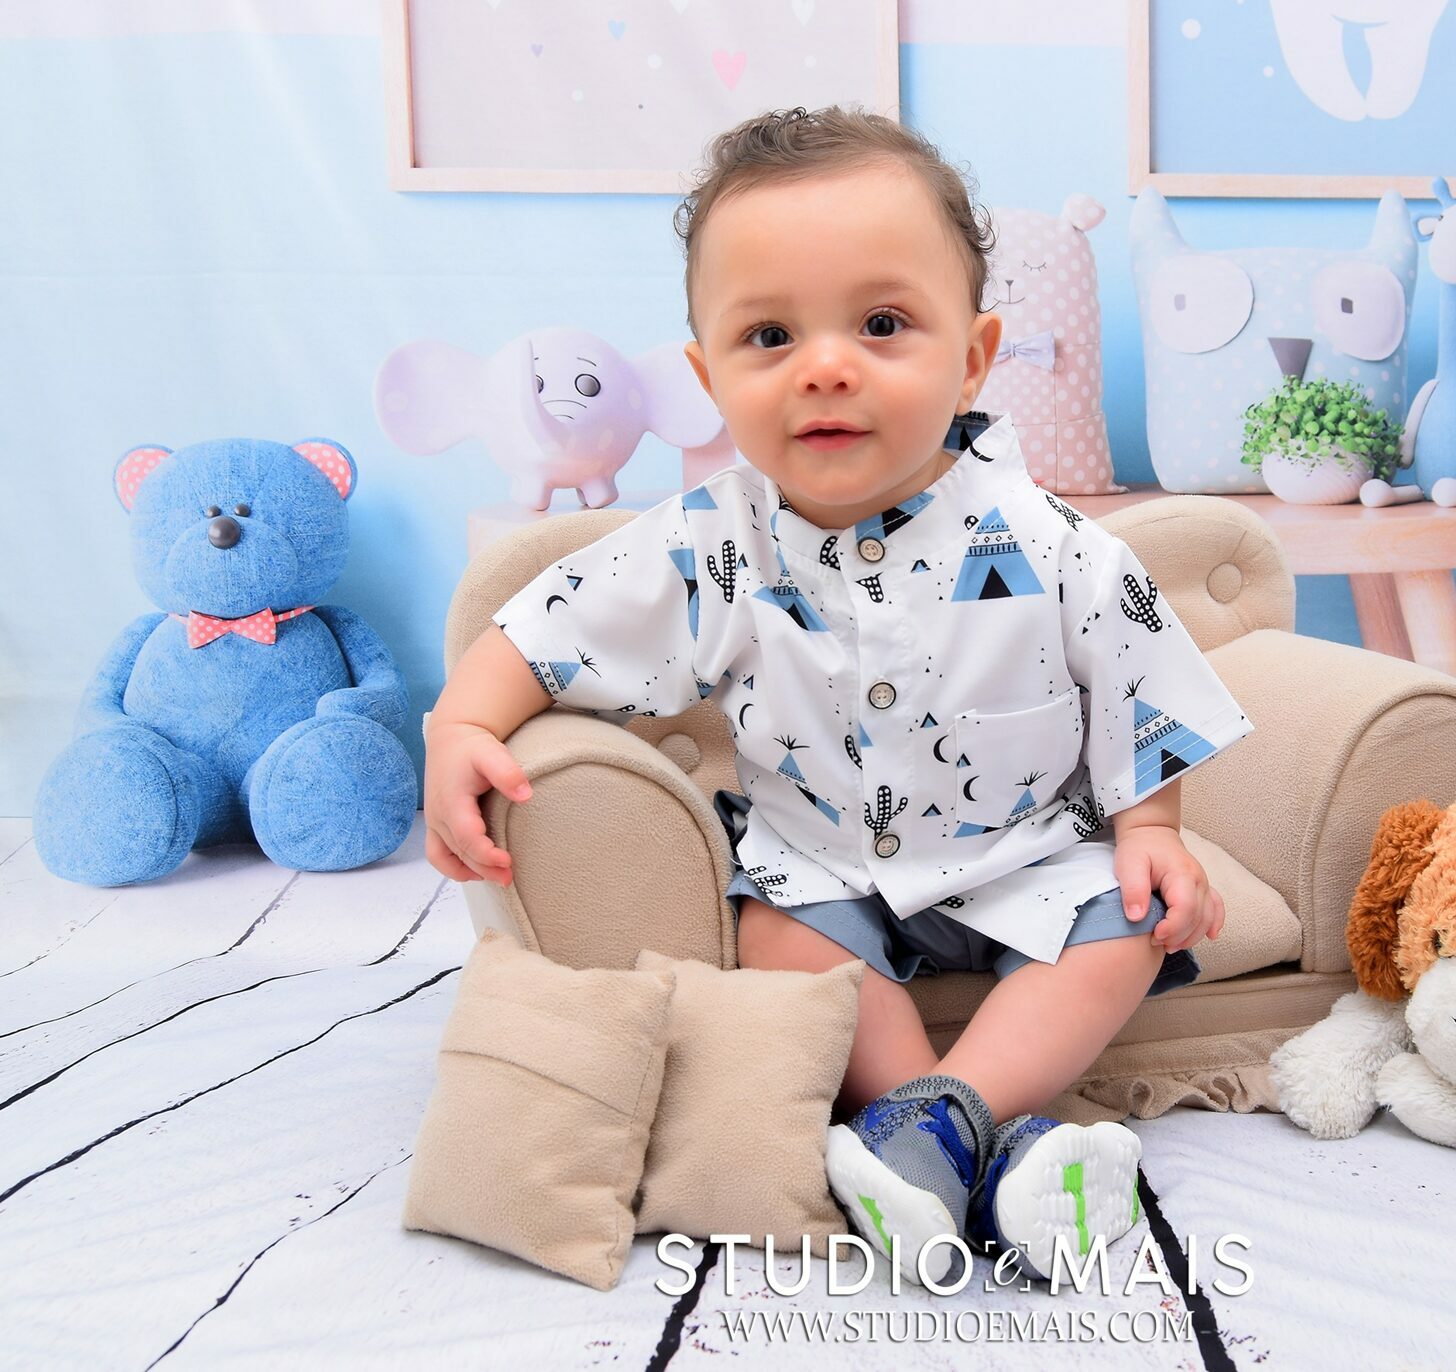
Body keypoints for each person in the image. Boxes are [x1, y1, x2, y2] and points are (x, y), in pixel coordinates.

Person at [424, 106, 1255, 1288]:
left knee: (1128, 920)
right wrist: (462, 722)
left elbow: (1138, 675)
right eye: (769, 335)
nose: (825, 365)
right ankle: (988, 1149)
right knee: (777, 929)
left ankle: (940, 1124)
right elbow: (552, 625)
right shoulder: (715, 542)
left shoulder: (1046, 538)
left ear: (973, 356)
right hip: (826, 865)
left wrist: (1152, 828)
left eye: (882, 324)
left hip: (1025, 853)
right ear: (709, 378)